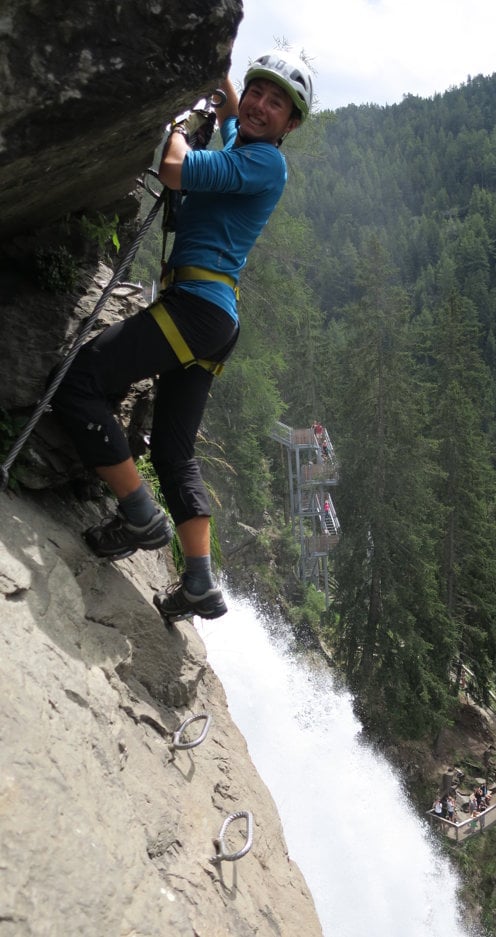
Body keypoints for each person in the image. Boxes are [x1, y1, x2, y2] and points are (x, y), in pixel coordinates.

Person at [52, 50, 314, 623]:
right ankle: (198, 582)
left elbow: (174, 169)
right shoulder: (242, 146)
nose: (260, 107)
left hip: (197, 307)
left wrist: (173, 127)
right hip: (212, 317)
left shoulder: (265, 163)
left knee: (78, 382)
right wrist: (221, 62)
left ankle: (139, 515)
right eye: (257, 93)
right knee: (173, 450)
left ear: (291, 125)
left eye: (277, 103)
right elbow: (226, 103)